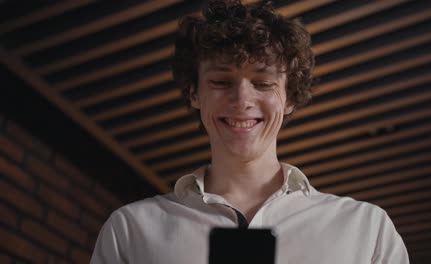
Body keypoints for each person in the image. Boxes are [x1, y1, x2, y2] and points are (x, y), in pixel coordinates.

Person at [91, 1, 409, 263]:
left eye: (263, 82)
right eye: (221, 81)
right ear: (194, 93)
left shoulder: (367, 229)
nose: (242, 100)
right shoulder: (130, 230)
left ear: (290, 97)